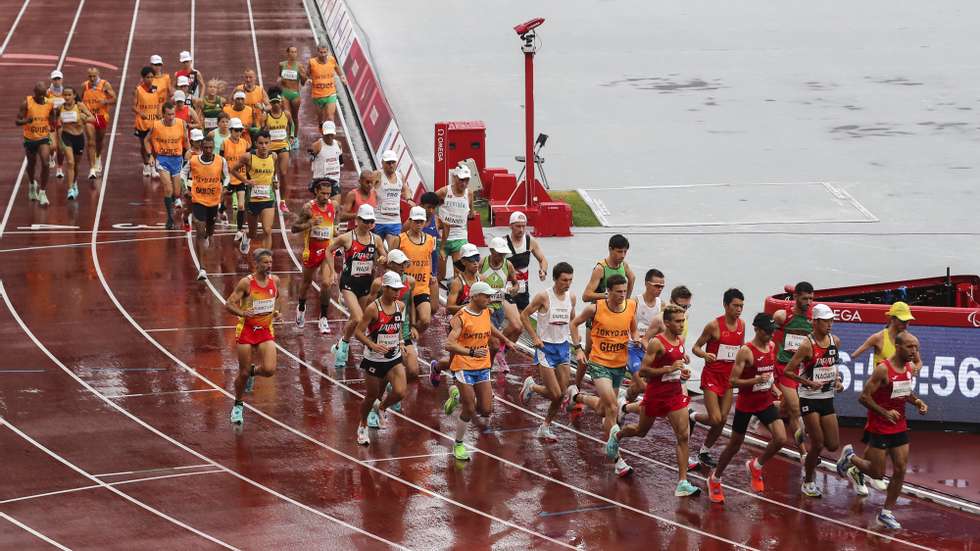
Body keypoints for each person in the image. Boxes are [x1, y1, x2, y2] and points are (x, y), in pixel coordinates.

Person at [605, 304, 700, 495]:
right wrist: (669, 369)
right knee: (641, 431)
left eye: (683, 321)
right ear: (666, 323)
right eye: (678, 321)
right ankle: (617, 435)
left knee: (683, 436)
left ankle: (682, 482)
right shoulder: (657, 343)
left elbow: (676, 367)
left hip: (674, 395)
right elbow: (644, 371)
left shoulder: (680, 341)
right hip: (656, 395)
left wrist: (683, 373)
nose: (682, 325)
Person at [836, 331, 927, 529]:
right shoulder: (882, 370)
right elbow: (864, 397)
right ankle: (849, 457)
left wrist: (917, 401)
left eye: (916, 348)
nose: (914, 351)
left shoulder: (909, 368)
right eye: (910, 347)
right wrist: (885, 413)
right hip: (880, 425)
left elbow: (903, 390)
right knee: (877, 474)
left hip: (900, 425)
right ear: (898, 346)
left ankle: (886, 513)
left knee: (900, 469)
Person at [706, 313, 786, 503]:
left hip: (765, 401)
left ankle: (756, 466)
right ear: (756, 329)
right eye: (767, 332)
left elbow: (768, 373)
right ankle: (715, 478)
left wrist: (774, 388)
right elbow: (732, 381)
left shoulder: (772, 346)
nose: (770, 335)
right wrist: (755, 380)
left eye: (772, 331)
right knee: (734, 445)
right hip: (747, 404)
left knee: (781, 438)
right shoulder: (746, 351)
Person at [568, 273, 637, 477]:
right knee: (613, 408)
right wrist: (579, 349)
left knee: (603, 409)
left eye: (624, 291)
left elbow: (633, 330)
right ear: (608, 291)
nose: (622, 295)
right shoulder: (595, 307)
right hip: (599, 363)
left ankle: (577, 397)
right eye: (618, 292)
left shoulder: (630, 306)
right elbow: (574, 324)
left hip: (619, 365)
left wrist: (637, 340)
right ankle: (617, 458)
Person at [443, 281, 519, 461]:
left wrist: (505, 341)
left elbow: (490, 328)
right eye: (486, 296)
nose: (489, 298)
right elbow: (449, 344)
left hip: (482, 365)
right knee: (469, 408)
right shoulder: (461, 317)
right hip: (464, 365)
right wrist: (470, 351)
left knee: (485, 410)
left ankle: (457, 396)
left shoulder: (486, 311)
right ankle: (459, 444)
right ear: (475, 296)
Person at [849, 300, 920, 492]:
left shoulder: (908, 342)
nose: (906, 324)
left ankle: (862, 470)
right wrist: (881, 368)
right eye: (903, 320)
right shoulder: (879, 338)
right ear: (892, 318)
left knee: (883, 446)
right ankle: (862, 468)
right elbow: (855, 354)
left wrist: (913, 368)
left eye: (908, 320)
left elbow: (918, 363)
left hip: (898, 394)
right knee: (877, 444)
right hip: (879, 395)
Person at [785, 303, 844, 498]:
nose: (830, 324)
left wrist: (838, 381)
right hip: (809, 397)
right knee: (817, 445)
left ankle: (803, 430)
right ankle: (808, 481)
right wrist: (807, 382)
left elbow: (833, 369)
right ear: (816, 322)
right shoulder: (806, 345)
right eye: (826, 321)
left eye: (832, 320)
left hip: (827, 397)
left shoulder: (835, 341)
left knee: (833, 445)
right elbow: (788, 371)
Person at [519, 262, 576, 441]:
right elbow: (524, 315)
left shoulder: (571, 298)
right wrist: (535, 337)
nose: (567, 284)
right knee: (556, 394)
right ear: (555, 279)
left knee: (561, 393)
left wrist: (577, 345)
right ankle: (532, 386)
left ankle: (545, 426)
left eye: (570, 280)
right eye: (564, 280)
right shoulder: (544, 297)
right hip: (546, 348)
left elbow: (572, 322)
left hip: (563, 348)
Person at [689, 288, 745, 469]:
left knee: (722, 420)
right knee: (715, 418)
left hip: (728, 379)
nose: (739, 309)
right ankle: (693, 416)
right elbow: (696, 347)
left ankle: (704, 451)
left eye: (741, 306)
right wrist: (705, 355)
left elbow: (741, 351)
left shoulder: (742, 325)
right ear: (726, 305)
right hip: (712, 376)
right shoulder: (713, 326)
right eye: (735, 305)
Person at [227, 249, 282, 426]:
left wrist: (276, 313)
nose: (269, 266)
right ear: (256, 264)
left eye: (270, 262)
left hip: (265, 331)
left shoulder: (275, 281)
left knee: (269, 369)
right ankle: (238, 403)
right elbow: (229, 303)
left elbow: (275, 298)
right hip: (247, 331)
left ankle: (253, 372)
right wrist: (242, 312)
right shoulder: (246, 283)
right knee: (242, 373)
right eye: (265, 262)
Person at [328, 204, 387, 369]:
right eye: (365, 221)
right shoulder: (346, 238)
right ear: (358, 220)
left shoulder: (375, 239)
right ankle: (344, 347)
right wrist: (332, 270)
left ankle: (340, 344)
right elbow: (329, 250)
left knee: (356, 320)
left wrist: (383, 258)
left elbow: (384, 254)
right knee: (358, 317)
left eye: (371, 222)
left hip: (366, 283)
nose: (368, 225)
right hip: (348, 283)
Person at [355, 271, 410, 445]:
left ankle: (382, 407)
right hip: (374, 359)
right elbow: (358, 332)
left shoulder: (400, 306)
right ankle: (362, 425)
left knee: (400, 392)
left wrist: (400, 341)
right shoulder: (373, 308)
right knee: (371, 395)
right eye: (393, 289)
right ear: (384, 288)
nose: (397, 293)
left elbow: (398, 326)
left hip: (393, 357)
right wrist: (372, 345)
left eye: (399, 289)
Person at [579, 234, 636, 384]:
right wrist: (606, 296)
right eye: (618, 252)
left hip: (616, 314)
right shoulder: (601, 268)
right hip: (598, 315)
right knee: (589, 350)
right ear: (610, 249)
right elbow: (586, 296)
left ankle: (608, 377)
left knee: (616, 348)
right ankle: (577, 385)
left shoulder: (624, 266)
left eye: (625, 252)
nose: (622, 255)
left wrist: (626, 302)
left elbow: (632, 278)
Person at [772, 281, 814, 461]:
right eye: (805, 298)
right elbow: (766, 336)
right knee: (796, 410)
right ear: (796, 297)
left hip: (799, 370)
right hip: (783, 368)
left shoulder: (813, 318)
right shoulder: (782, 316)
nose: (809, 302)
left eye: (811, 298)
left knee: (785, 408)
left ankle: (763, 409)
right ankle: (804, 453)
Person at [429, 243, 481, 386]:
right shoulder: (458, 283)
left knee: (475, 355)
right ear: (463, 262)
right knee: (456, 359)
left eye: (477, 258)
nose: (475, 263)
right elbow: (449, 307)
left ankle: (479, 383)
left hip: (475, 324)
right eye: (471, 260)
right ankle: (438, 368)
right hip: (456, 323)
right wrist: (468, 308)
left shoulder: (480, 279)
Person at [292, 179, 339, 333]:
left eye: (328, 194)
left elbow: (335, 219)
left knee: (326, 283)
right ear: (316, 192)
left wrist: (335, 228)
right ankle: (301, 307)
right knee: (306, 283)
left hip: (327, 251)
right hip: (311, 250)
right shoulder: (308, 208)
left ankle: (323, 318)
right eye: (323, 193)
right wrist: (310, 223)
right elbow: (294, 228)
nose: (326, 197)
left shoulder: (334, 206)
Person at [368, 251, 420, 387]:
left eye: (405, 263)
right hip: (384, 333)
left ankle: (393, 388)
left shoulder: (410, 281)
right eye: (399, 264)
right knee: (383, 374)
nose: (403, 266)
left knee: (413, 371)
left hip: (403, 329)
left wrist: (413, 326)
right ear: (390, 264)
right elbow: (368, 308)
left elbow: (411, 304)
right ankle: (381, 399)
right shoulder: (378, 283)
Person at [183, 136, 228, 280]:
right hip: (198, 200)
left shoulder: (221, 161)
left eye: (210, 147)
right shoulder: (194, 161)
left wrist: (225, 187)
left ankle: (209, 235)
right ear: (202, 148)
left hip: (213, 201)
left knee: (209, 230)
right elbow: (183, 173)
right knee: (200, 232)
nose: (208, 150)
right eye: (206, 147)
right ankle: (202, 268)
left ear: (213, 147)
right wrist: (185, 188)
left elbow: (227, 176)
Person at [623, 269, 666, 405]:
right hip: (631, 349)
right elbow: (624, 324)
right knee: (643, 386)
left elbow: (662, 331)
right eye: (656, 286)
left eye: (662, 286)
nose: (660, 289)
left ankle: (623, 402)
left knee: (637, 388)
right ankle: (625, 405)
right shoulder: (634, 302)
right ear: (647, 284)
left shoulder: (662, 305)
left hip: (649, 350)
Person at [231, 131, 278, 253]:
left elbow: (273, 172)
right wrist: (246, 181)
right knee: (253, 233)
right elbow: (233, 169)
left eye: (266, 143)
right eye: (261, 143)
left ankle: (266, 257)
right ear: (255, 143)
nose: (264, 146)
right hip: (252, 199)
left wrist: (274, 181)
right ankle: (246, 237)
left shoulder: (273, 156)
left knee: (267, 230)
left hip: (268, 198)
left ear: (270, 143)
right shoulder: (248, 157)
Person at [144, 102, 189, 229]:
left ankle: (176, 199)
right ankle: (169, 219)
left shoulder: (181, 124)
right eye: (168, 114)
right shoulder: (156, 125)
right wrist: (150, 156)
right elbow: (146, 140)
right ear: (163, 114)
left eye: (173, 114)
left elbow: (185, 141)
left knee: (176, 191)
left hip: (177, 159)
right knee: (168, 189)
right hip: (162, 159)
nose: (171, 117)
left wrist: (190, 153)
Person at [481, 237, 523, 371]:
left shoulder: (508, 265)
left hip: (499, 305)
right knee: (493, 343)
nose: (501, 256)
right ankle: (485, 369)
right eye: (499, 253)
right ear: (491, 250)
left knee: (518, 327)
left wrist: (514, 289)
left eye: (503, 254)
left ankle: (501, 353)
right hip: (485, 307)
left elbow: (516, 283)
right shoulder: (482, 263)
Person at [393, 206, 436, 335]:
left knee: (425, 320)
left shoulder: (429, 240)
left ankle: (410, 337)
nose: (419, 224)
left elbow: (428, 257)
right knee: (399, 321)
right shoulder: (400, 239)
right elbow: (392, 261)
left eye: (421, 221)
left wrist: (430, 274)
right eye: (416, 221)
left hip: (422, 287)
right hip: (404, 287)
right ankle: (403, 339)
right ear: (410, 221)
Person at [17, 82, 57, 206]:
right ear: (35, 93)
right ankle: (31, 184)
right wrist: (26, 120)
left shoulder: (49, 104)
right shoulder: (26, 103)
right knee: (31, 163)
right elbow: (17, 121)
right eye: (40, 94)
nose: (42, 97)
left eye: (44, 94)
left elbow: (53, 117)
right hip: (30, 139)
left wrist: (53, 125)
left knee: (45, 163)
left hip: (43, 138)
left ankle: (43, 192)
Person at [435, 165, 475, 281]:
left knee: (459, 275)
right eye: (461, 179)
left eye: (466, 180)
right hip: (443, 239)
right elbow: (429, 204)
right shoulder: (444, 191)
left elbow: (471, 213)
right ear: (454, 177)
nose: (464, 183)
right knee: (440, 276)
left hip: (460, 238)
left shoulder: (469, 194)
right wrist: (438, 221)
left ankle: (454, 297)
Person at [505, 211, 548, 312]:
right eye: (518, 226)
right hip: (507, 286)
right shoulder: (503, 243)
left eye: (524, 226)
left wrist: (543, 271)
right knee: (512, 322)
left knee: (522, 317)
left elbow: (542, 259)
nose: (521, 230)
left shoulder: (530, 241)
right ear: (510, 226)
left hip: (523, 287)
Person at [57, 87, 93, 201]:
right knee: (70, 162)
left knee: (76, 165)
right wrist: (58, 125)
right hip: (66, 136)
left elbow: (93, 118)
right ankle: (70, 190)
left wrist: (84, 119)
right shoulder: (60, 108)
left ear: (74, 95)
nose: (67, 97)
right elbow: (56, 122)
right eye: (65, 95)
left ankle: (74, 182)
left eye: (69, 95)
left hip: (79, 137)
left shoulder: (80, 106)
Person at [374, 149, 413, 248]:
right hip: (378, 220)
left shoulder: (400, 176)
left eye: (393, 162)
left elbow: (405, 189)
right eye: (388, 163)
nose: (391, 165)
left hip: (394, 221)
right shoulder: (377, 175)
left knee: (394, 253)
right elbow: (366, 190)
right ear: (382, 163)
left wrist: (409, 199)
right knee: (377, 253)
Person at [263, 87, 294, 213]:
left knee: (284, 173)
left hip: (283, 147)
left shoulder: (286, 114)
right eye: (273, 102)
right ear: (270, 103)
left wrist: (292, 136)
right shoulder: (266, 116)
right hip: (270, 149)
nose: (276, 104)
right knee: (270, 175)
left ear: (281, 102)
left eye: (277, 102)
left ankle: (283, 202)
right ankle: (270, 198)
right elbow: (262, 131)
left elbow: (292, 125)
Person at [81, 67, 115, 179]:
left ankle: (98, 157)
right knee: (90, 141)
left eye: (94, 76)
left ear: (98, 74)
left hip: (101, 116)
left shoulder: (105, 84)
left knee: (99, 140)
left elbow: (114, 99)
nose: (91, 78)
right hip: (89, 117)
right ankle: (92, 169)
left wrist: (105, 101)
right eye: (89, 76)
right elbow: (80, 100)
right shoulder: (84, 86)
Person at [133, 66, 165, 178]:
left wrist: (159, 112)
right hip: (142, 122)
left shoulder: (156, 89)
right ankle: (146, 164)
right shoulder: (138, 90)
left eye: (152, 77)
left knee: (154, 145)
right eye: (148, 77)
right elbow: (134, 106)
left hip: (154, 121)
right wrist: (140, 112)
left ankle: (153, 166)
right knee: (143, 145)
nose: (150, 79)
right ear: (143, 78)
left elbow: (160, 103)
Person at [220, 117, 250, 239]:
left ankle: (239, 229)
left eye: (240, 130)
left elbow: (249, 160)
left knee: (241, 205)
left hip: (241, 178)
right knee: (222, 198)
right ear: (231, 130)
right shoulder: (225, 143)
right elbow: (220, 160)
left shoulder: (245, 143)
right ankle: (221, 208)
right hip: (228, 178)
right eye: (236, 130)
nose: (238, 133)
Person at [307, 45, 348, 128]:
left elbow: (337, 68)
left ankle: (330, 138)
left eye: (325, 52)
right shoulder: (312, 62)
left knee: (330, 117)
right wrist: (308, 79)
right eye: (321, 52)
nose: (323, 54)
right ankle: (322, 130)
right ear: (317, 52)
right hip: (317, 95)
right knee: (320, 119)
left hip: (330, 93)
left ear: (327, 52)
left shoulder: (331, 60)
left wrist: (342, 77)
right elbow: (307, 74)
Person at [278, 45, 307, 149]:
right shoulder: (282, 65)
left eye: (295, 52)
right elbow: (279, 76)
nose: (293, 54)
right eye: (291, 52)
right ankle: (286, 137)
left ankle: (295, 138)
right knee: (286, 115)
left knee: (294, 117)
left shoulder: (299, 66)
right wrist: (280, 80)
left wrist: (304, 77)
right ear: (288, 53)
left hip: (295, 95)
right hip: (284, 93)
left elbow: (303, 83)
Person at [419, 192, 443, 303]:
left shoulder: (437, 220)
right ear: (421, 206)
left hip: (432, 267)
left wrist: (442, 247)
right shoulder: (412, 222)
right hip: (417, 268)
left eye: (434, 208)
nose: (431, 211)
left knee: (434, 306)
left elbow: (447, 228)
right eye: (428, 207)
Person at [308, 120, 343, 196]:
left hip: (334, 180)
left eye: (331, 134)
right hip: (320, 181)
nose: (329, 137)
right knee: (321, 206)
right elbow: (311, 161)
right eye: (327, 134)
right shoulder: (317, 145)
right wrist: (312, 155)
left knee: (335, 205)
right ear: (322, 132)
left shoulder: (338, 144)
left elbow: (341, 162)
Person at [46, 71, 66, 180]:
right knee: (52, 146)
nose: (57, 81)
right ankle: (51, 156)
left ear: (62, 80)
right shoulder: (47, 93)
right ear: (52, 80)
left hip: (62, 122)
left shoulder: (66, 92)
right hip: (51, 122)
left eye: (58, 79)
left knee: (61, 147)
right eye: (55, 79)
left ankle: (59, 169)